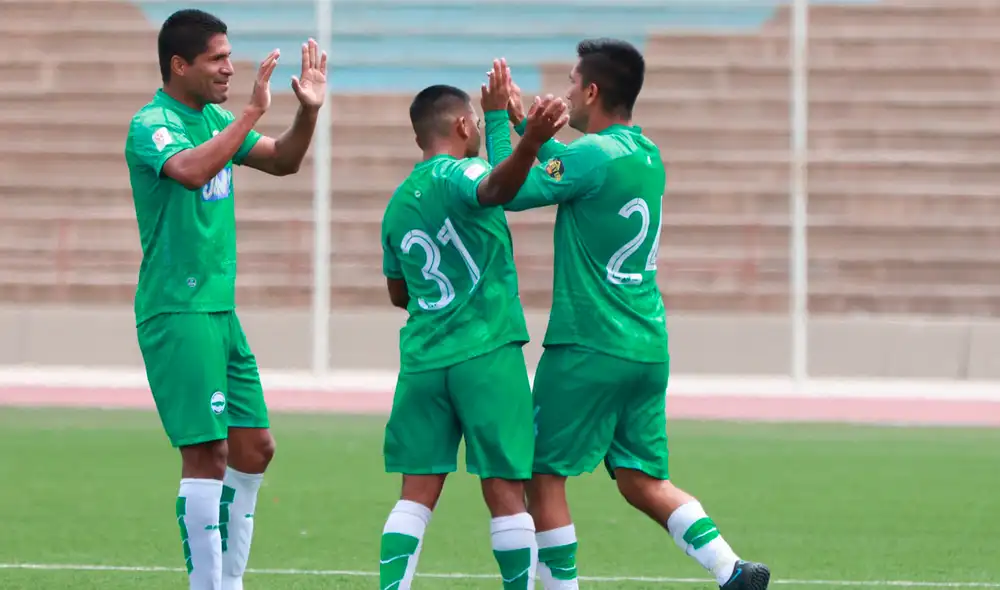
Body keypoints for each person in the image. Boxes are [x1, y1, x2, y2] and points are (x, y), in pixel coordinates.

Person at [490, 39, 772, 590]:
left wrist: (502, 119)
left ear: (591, 91)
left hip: (588, 343)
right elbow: (575, 164)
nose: (566, 89)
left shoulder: (590, 157)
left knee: (542, 476)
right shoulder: (646, 154)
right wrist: (539, 133)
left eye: (572, 82)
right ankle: (731, 569)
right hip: (646, 343)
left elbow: (511, 190)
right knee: (641, 478)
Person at [123, 8, 327, 590]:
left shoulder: (213, 117)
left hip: (219, 310)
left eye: (229, 56)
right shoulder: (151, 123)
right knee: (207, 455)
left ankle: (226, 582)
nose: (229, 68)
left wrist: (307, 112)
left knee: (255, 449)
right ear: (178, 65)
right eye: (216, 58)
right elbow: (187, 170)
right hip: (177, 308)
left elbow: (284, 161)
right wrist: (251, 115)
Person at [377, 60, 568, 590]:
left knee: (415, 494)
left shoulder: (396, 205)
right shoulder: (461, 174)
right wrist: (527, 141)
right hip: (485, 350)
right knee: (506, 492)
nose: (482, 133)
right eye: (478, 124)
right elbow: (496, 190)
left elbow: (400, 292)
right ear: (462, 126)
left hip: (423, 360)